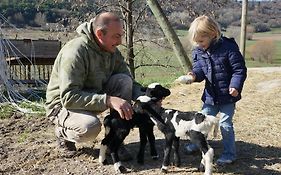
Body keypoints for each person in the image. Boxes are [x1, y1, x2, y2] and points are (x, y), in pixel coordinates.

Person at [45, 12, 143, 159]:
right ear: (99, 34)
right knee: (89, 127)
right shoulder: (75, 52)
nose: (120, 41)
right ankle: (62, 132)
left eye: (121, 35)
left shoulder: (111, 51)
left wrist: (146, 96)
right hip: (63, 105)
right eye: (116, 36)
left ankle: (114, 141)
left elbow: (128, 79)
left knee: (124, 81)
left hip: (93, 96)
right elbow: (68, 97)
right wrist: (108, 100)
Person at [183, 15, 247, 165]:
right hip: (210, 96)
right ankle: (198, 143)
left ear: (213, 34)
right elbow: (199, 69)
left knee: (225, 124)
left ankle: (229, 154)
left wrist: (235, 86)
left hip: (228, 96)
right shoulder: (199, 51)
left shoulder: (228, 47)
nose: (199, 44)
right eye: (196, 42)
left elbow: (239, 70)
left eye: (201, 41)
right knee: (201, 121)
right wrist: (193, 76)